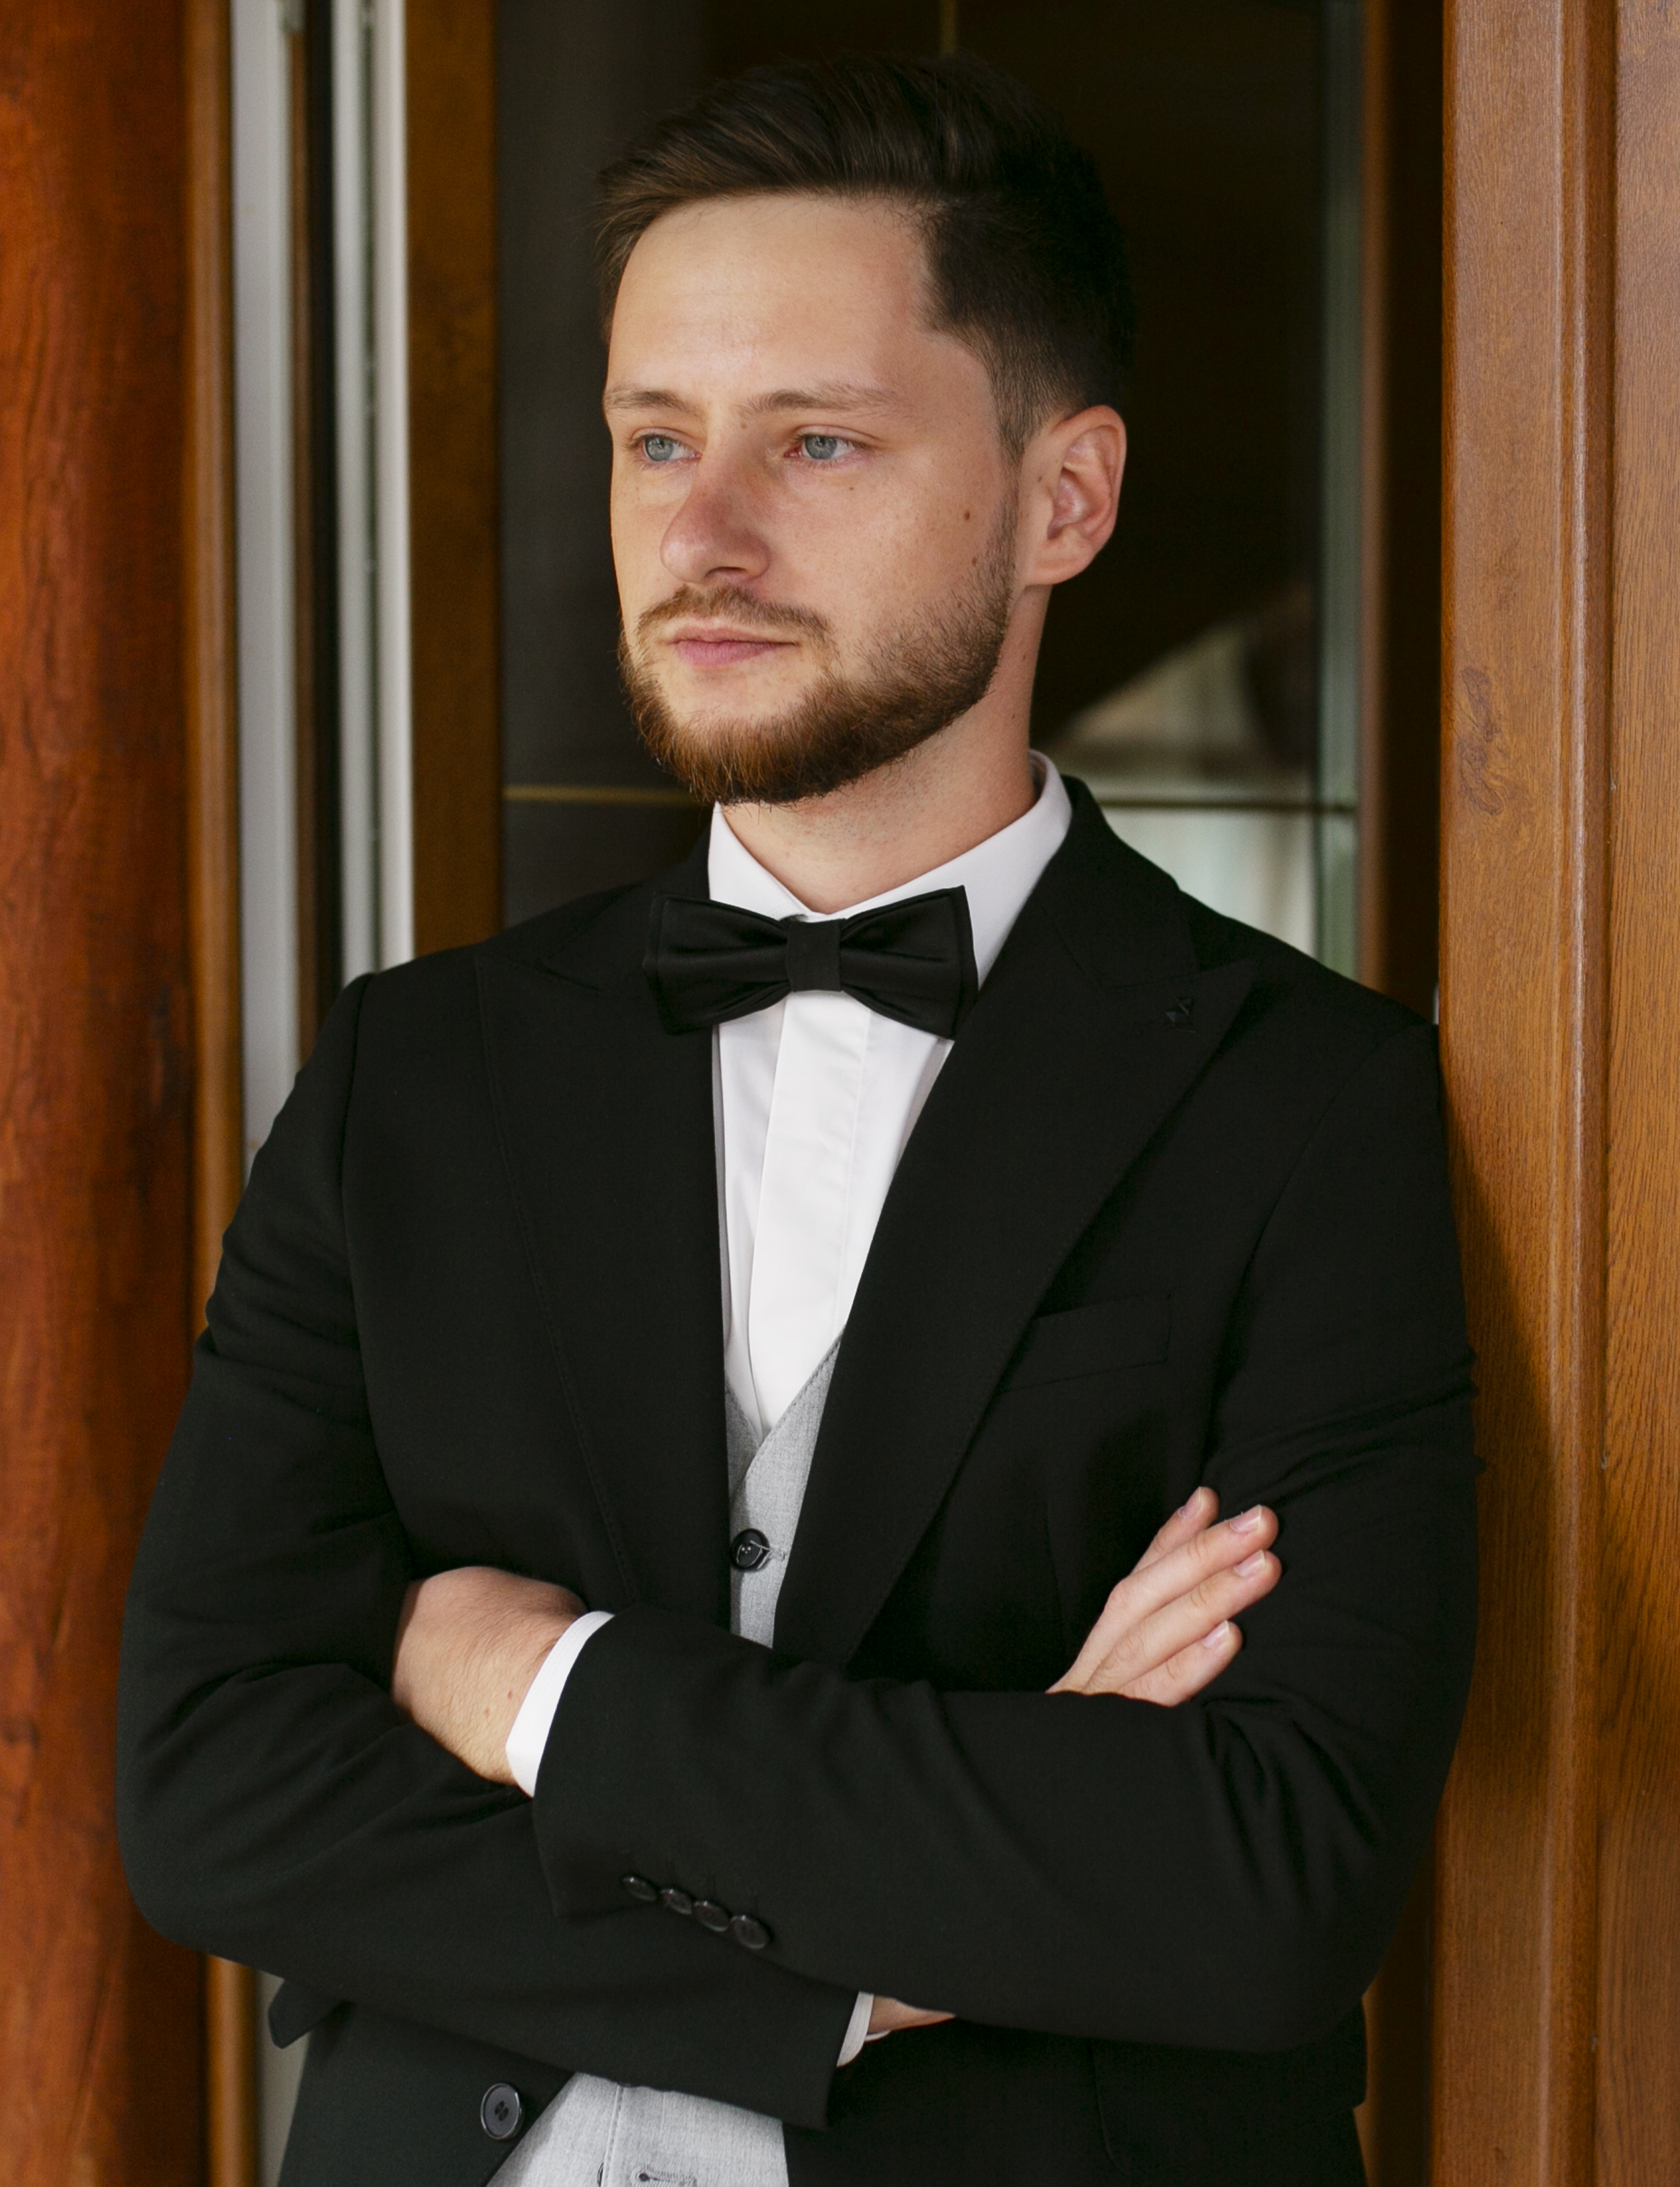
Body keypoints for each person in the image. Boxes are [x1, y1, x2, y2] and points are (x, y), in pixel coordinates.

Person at [118, 53, 1477, 2187]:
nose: (701, 532)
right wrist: (911, 1914)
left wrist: (536, 1682)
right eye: (655, 440)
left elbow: (1260, 1878)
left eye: (815, 443)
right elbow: (210, 1790)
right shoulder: (416, 1077)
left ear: (1065, 501)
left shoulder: (1305, 1099)